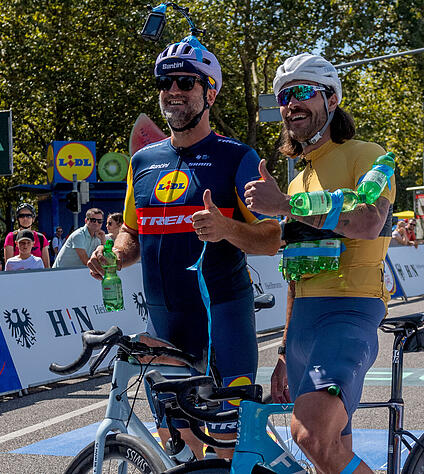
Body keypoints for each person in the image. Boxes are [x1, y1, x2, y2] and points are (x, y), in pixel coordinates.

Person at [86, 35, 280, 459]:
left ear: (210, 93)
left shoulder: (237, 157)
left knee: (229, 448)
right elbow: (134, 234)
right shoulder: (143, 161)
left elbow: (272, 239)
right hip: (166, 322)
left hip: (223, 318)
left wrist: (226, 227)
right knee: (178, 445)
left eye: (186, 83)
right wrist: (115, 255)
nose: (173, 92)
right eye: (165, 83)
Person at [243, 53, 395, 474]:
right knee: (328, 456)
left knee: (309, 436)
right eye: (285, 96)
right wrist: (281, 353)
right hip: (304, 325)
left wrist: (286, 206)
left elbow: (367, 221)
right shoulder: (297, 176)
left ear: (331, 99)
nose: (292, 103)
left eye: (304, 92)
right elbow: (295, 272)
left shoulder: (368, 155)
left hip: (349, 311)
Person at [3, 203, 51, 268]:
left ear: (33, 219)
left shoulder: (41, 238)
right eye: (22, 216)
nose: (25, 218)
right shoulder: (11, 237)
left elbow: (46, 266)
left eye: (28, 216)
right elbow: (10, 266)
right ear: (18, 219)